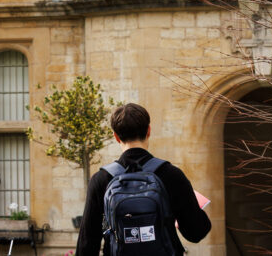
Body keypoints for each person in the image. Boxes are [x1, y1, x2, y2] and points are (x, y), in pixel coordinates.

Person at [75, 103, 211, 256]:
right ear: (149, 131)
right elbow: (196, 232)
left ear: (116, 136)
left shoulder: (101, 179)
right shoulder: (171, 175)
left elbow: (87, 243)